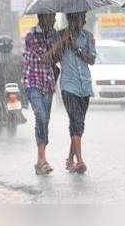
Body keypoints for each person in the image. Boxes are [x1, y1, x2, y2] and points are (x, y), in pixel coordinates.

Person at [45, 11, 96, 174]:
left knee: (78, 123)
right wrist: (63, 43)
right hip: (69, 86)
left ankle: (69, 159)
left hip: (85, 86)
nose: (84, 21)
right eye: (81, 18)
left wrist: (76, 48)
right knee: (76, 121)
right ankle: (79, 160)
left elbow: (92, 59)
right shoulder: (60, 35)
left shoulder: (88, 37)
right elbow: (51, 58)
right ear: (72, 19)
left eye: (84, 18)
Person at [22, 13, 60, 175]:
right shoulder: (31, 36)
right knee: (41, 116)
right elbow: (45, 57)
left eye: (53, 17)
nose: (53, 20)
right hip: (33, 81)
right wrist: (60, 43)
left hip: (48, 82)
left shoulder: (54, 35)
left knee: (45, 121)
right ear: (41, 17)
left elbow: (57, 58)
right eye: (50, 17)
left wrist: (60, 43)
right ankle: (42, 159)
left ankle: (41, 161)